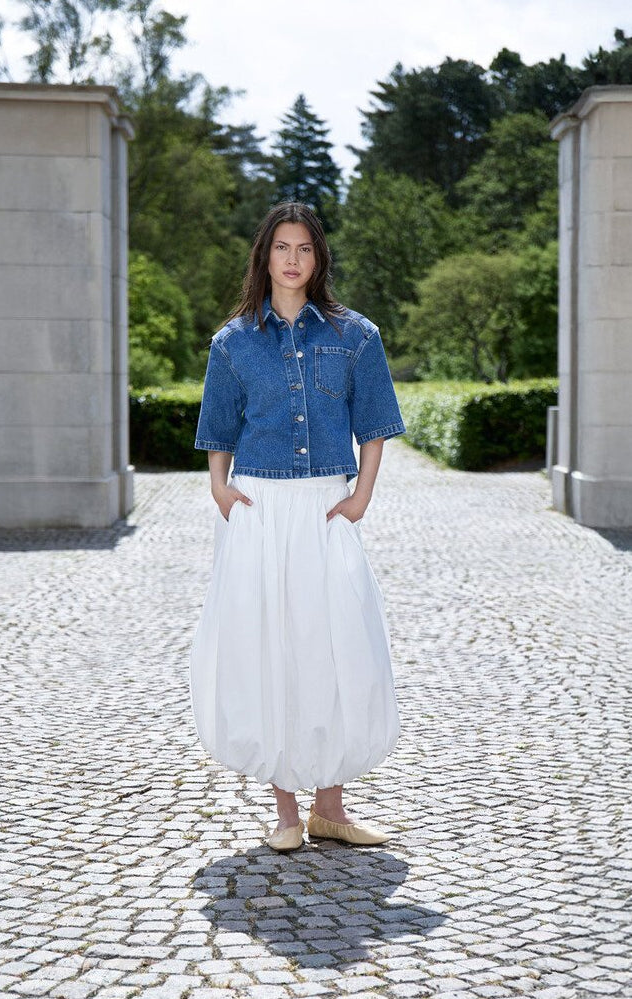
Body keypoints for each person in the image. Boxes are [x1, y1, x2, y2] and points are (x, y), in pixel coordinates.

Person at [189, 201, 406, 851]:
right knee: (271, 649)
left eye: (304, 248)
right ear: (264, 256)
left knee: (335, 650)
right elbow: (218, 427)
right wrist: (220, 488)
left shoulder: (354, 335)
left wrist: (361, 496)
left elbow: (374, 423)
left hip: (325, 507)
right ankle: (287, 812)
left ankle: (330, 809)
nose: (292, 259)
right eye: (281, 247)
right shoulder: (232, 342)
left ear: (319, 258)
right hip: (259, 509)